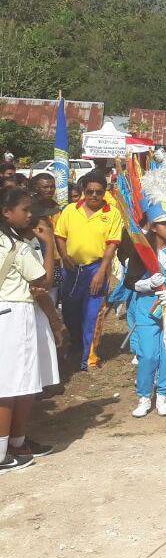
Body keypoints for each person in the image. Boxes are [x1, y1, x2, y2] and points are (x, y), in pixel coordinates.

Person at [0, 187, 58, 473]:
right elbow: (44, 280)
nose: (30, 215)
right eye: (24, 210)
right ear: (7, 213)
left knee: (18, 384)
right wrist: (48, 246)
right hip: (15, 314)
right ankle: (4, 449)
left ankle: (16, 442)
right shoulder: (16, 246)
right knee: (12, 386)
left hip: (6, 312)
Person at [54, 170, 123, 371]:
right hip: (71, 269)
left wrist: (102, 271)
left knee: (93, 314)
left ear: (104, 192)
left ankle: (89, 358)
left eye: (99, 192)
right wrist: (64, 256)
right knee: (70, 312)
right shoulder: (69, 210)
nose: (94, 196)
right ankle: (76, 343)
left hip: (96, 267)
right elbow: (60, 235)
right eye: (90, 191)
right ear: (84, 191)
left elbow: (112, 244)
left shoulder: (112, 213)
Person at [123, 189, 166, 417]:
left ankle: (165, 394)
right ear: (154, 226)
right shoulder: (141, 250)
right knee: (148, 354)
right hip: (147, 310)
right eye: (164, 223)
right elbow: (129, 281)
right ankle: (144, 395)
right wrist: (146, 284)